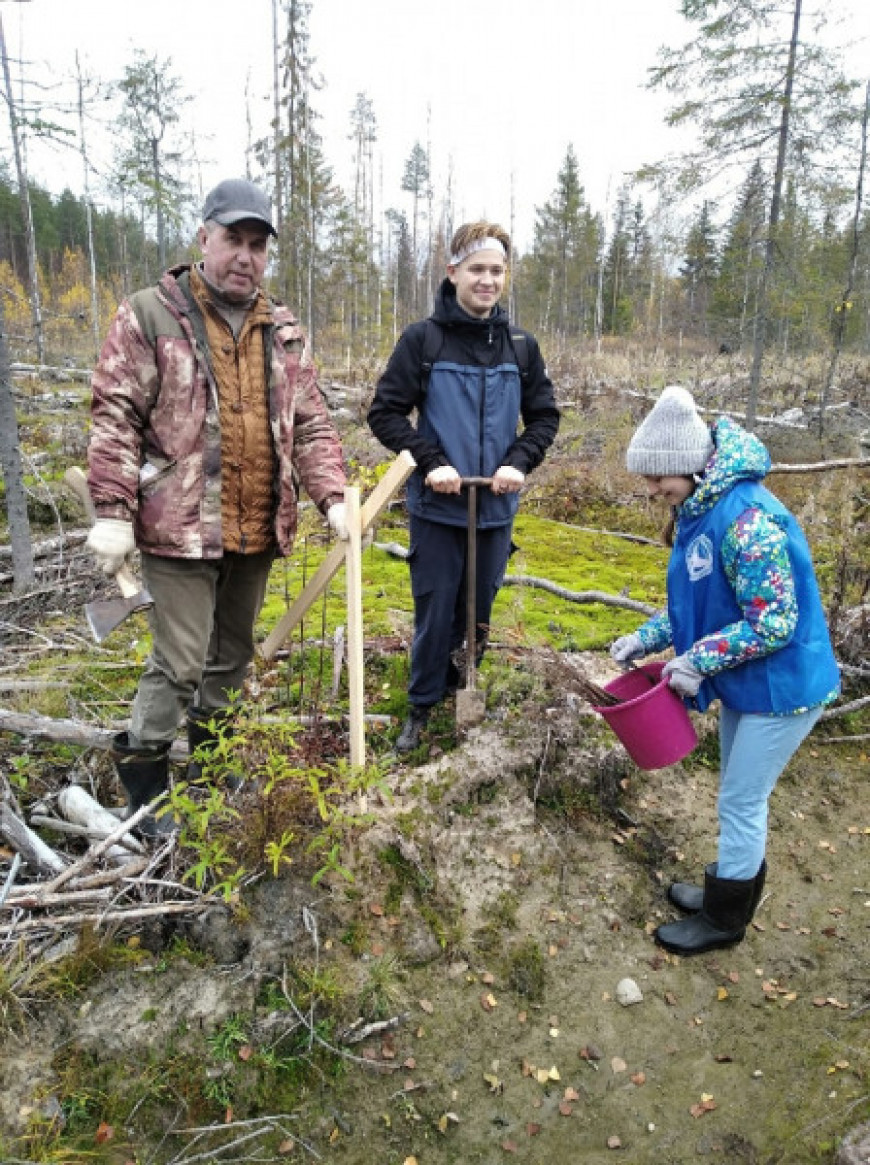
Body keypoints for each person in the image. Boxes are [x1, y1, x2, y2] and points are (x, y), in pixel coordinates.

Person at [86, 178, 349, 835]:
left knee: (231, 658)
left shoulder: (282, 328)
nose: (246, 255)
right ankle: (145, 789)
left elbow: (311, 422)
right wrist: (113, 509)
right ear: (204, 237)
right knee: (179, 659)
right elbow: (116, 411)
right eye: (234, 239)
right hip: (178, 528)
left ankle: (211, 769)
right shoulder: (151, 313)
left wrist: (334, 495)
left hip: (257, 523)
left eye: (258, 245)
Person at [610, 385, 840, 955]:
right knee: (738, 794)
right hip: (751, 683)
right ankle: (729, 888)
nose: (651, 490)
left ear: (688, 465)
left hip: (785, 686)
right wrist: (646, 636)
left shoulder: (747, 521)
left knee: (741, 799)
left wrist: (696, 660)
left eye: (656, 477)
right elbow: (698, 605)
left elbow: (775, 623)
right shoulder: (701, 510)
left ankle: (725, 918)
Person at [368, 221, 560, 752]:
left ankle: (464, 692)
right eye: (477, 269)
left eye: (497, 270)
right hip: (438, 510)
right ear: (453, 273)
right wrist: (430, 461)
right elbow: (384, 413)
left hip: (494, 510)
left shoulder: (521, 347)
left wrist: (520, 461)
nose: (487, 280)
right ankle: (421, 706)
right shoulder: (423, 341)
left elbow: (544, 417)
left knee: (478, 613)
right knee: (435, 610)